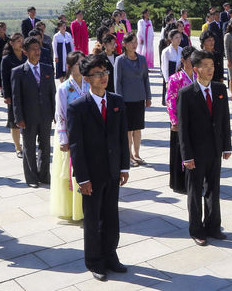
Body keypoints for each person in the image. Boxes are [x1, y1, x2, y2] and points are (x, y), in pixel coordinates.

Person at [68, 53, 130, 281]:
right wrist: (82, 178)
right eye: (98, 73)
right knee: (93, 219)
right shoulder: (78, 107)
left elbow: (122, 136)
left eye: (105, 72)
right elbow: (76, 146)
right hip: (91, 175)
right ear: (86, 78)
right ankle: (94, 261)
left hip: (113, 170)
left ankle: (111, 256)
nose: (103, 77)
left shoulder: (116, 101)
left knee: (111, 216)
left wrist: (124, 167)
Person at [178, 49, 232, 245]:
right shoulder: (186, 94)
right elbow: (182, 129)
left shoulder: (219, 90)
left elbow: (225, 119)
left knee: (214, 189)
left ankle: (213, 226)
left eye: (212, 65)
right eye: (206, 66)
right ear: (195, 68)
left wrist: (227, 146)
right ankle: (196, 229)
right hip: (195, 152)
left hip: (215, 150)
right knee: (195, 192)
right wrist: (186, 156)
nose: (210, 69)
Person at [11, 36, 56, 186]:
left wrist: (55, 113)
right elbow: (16, 98)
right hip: (28, 117)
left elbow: (52, 93)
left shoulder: (48, 69)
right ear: (25, 52)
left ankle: (44, 175)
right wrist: (18, 118)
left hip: (45, 115)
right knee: (29, 147)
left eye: (38, 49)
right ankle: (31, 178)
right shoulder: (18, 72)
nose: (37, 52)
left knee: (45, 146)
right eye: (33, 49)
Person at [51, 51, 88, 220]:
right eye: (77, 64)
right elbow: (60, 115)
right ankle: (75, 210)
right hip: (72, 137)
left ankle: (89, 205)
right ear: (69, 67)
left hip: (89, 135)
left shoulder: (88, 84)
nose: (81, 67)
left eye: (83, 63)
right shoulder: (64, 88)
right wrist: (63, 139)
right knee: (72, 174)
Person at [115, 32, 152, 167]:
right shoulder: (120, 60)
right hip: (126, 100)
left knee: (138, 128)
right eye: (131, 42)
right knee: (128, 130)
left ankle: (137, 154)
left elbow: (146, 79)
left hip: (139, 98)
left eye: (136, 42)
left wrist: (148, 97)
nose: (134, 45)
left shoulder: (142, 59)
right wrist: (119, 101)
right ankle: (128, 155)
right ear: (124, 44)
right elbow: (117, 82)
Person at [165, 46, 197, 194]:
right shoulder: (175, 79)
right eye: (191, 59)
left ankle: (195, 180)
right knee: (180, 152)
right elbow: (170, 100)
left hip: (195, 119)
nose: (194, 62)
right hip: (180, 120)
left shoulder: (198, 77)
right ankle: (179, 183)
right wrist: (174, 121)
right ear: (183, 60)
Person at [1, 33, 26, 158]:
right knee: (14, 120)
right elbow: (4, 79)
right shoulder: (7, 59)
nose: (21, 43)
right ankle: (18, 147)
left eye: (22, 40)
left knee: (27, 118)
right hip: (13, 93)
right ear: (11, 43)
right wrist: (6, 95)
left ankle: (27, 144)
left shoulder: (26, 56)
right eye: (18, 41)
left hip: (27, 92)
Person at [160, 29, 183, 105]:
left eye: (179, 37)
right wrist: (167, 81)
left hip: (180, 77)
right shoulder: (166, 51)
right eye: (176, 37)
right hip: (171, 76)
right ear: (171, 39)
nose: (178, 39)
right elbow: (164, 67)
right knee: (171, 99)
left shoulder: (181, 50)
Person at [0, 22, 7, 95]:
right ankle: (2, 89)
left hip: (7, 59)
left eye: (4, 27)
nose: (4, 28)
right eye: (2, 27)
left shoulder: (9, 39)